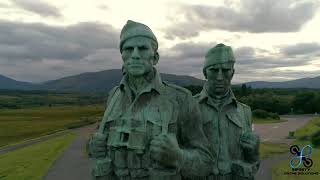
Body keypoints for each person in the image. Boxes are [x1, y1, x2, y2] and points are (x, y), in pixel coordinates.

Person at [88, 20, 212, 180]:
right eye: (128, 49)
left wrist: (179, 157)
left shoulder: (180, 98)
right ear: (122, 56)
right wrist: (93, 146)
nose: (135, 55)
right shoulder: (114, 96)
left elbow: (205, 162)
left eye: (142, 48)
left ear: (155, 57)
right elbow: (101, 143)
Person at [194, 44, 260, 180]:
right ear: (205, 72)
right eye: (214, 70)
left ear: (233, 73)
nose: (219, 77)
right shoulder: (188, 106)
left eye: (225, 70)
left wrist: (253, 154)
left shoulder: (245, 111)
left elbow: (252, 163)